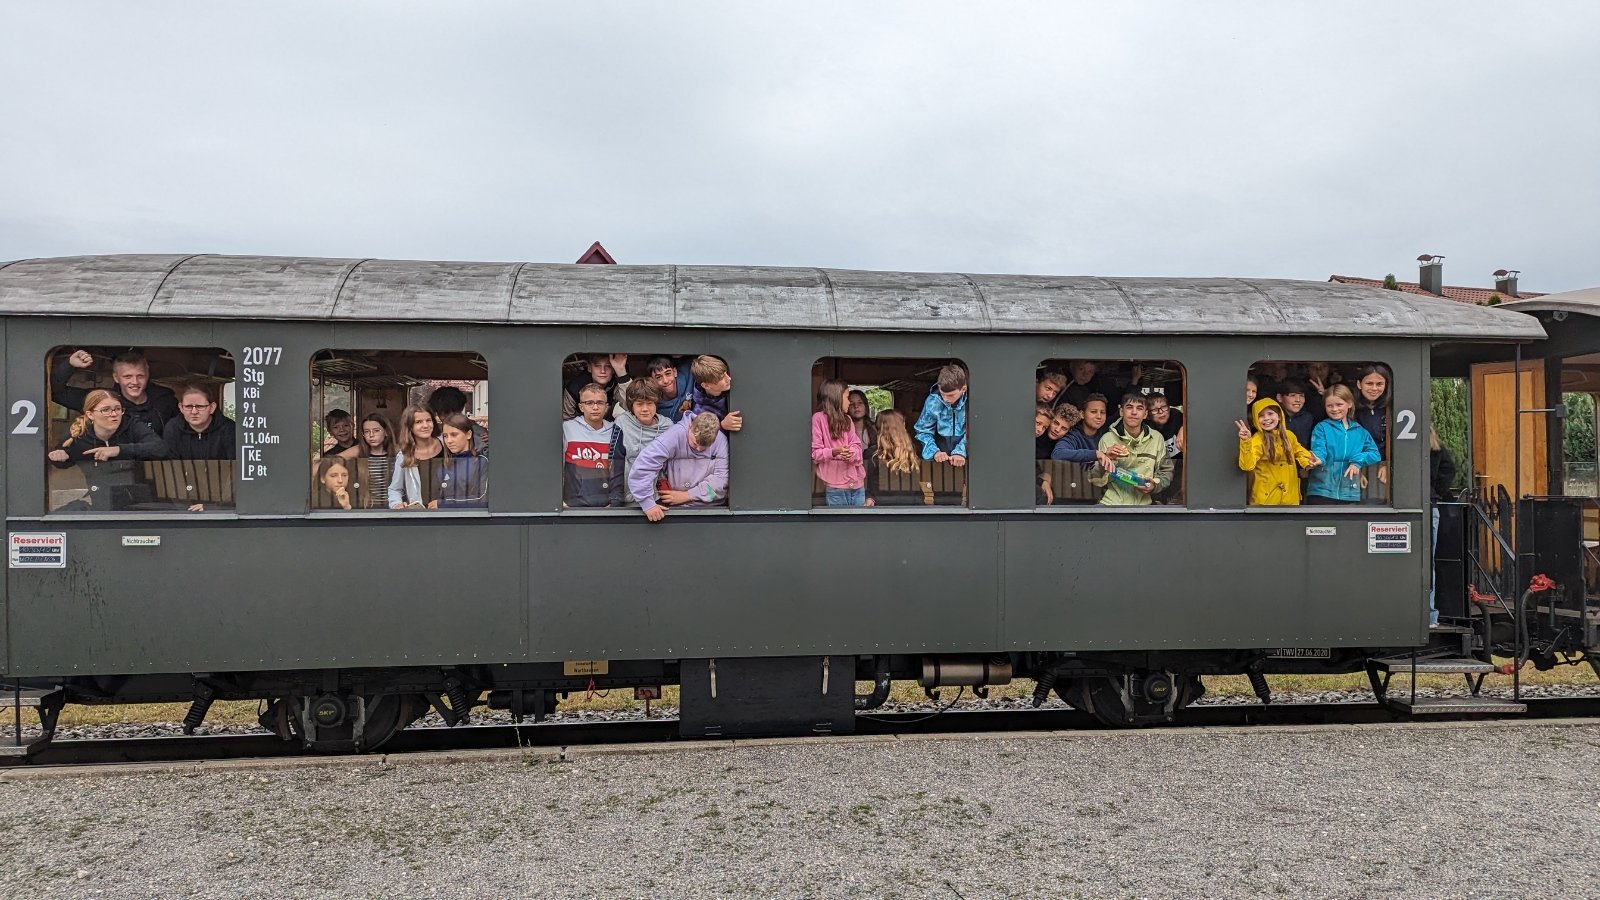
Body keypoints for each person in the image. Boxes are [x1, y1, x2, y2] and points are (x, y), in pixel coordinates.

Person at [47, 389, 168, 510]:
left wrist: (118, 450)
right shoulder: (78, 435)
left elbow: (160, 449)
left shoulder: (131, 425)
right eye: (106, 410)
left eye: (118, 409)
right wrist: (61, 457)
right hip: (102, 503)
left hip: (140, 503)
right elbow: (61, 461)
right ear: (90, 414)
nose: (114, 414)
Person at [52, 348, 179, 436]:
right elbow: (55, 392)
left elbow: (180, 433)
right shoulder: (99, 400)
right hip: (112, 468)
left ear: (147, 375)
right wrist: (68, 365)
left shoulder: (165, 401)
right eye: (127, 377)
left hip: (157, 468)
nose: (135, 382)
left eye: (140, 376)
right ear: (116, 378)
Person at [628, 412, 729, 522]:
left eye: (705, 446)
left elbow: (721, 480)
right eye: (695, 443)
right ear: (690, 426)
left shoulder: (721, 440)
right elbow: (645, 464)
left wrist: (687, 495)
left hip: (711, 509)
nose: (699, 449)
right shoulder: (675, 434)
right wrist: (647, 503)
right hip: (672, 509)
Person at [1091, 392, 1172, 506]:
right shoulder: (1107, 438)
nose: (1134, 412)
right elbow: (1096, 479)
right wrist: (1105, 459)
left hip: (1145, 506)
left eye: (1139, 408)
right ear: (1121, 411)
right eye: (1129, 407)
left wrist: (1154, 485)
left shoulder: (1157, 438)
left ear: (1145, 414)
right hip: (1110, 505)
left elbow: (1166, 471)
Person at [1236, 398, 1321, 506]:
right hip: (1266, 501)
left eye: (1270, 413)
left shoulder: (1289, 436)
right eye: (1261, 415)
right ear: (1255, 420)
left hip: (1290, 499)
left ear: (1279, 416)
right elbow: (1247, 465)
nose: (1266, 418)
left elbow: (1300, 452)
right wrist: (1246, 441)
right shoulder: (1257, 439)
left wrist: (1311, 462)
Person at [1306, 385, 1381, 505]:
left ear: (1349, 404)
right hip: (1322, 490)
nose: (1334, 409)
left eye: (1339, 404)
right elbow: (1319, 449)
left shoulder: (1360, 431)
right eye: (1329, 406)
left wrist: (1357, 462)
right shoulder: (1321, 427)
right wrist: (1318, 459)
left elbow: (1375, 454)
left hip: (1349, 491)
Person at [562, 383, 625, 508]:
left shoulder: (615, 431)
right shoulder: (567, 428)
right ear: (581, 407)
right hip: (573, 504)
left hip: (606, 506)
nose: (595, 407)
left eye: (600, 403)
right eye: (589, 403)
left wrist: (614, 503)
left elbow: (618, 470)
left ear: (606, 407)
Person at [614, 380, 676, 505]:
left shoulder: (668, 426)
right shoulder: (622, 423)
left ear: (656, 404)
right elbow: (615, 461)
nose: (645, 409)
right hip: (628, 496)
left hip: (658, 496)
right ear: (632, 405)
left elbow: (672, 463)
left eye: (650, 403)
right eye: (639, 404)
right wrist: (616, 497)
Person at [812, 379, 867, 507]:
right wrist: (834, 452)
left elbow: (857, 447)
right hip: (836, 488)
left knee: (860, 524)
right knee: (839, 525)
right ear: (836, 398)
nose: (849, 402)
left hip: (858, 485)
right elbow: (815, 453)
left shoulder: (847, 419)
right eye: (847, 397)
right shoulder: (818, 419)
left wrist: (851, 454)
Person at [388, 405, 445, 509]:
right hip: (419, 515)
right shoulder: (404, 455)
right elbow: (395, 489)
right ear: (409, 426)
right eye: (418, 422)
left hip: (448, 512)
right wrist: (396, 504)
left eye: (428, 420)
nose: (425, 425)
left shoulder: (446, 445)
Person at [337, 413, 398, 509]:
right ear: (363, 435)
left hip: (394, 507)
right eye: (367, 431)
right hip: (364, 507)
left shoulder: (398, 451)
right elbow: (329, 462)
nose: (371, 435)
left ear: (386, 432)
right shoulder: (357, 450)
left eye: (376, 431)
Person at [1428, 426, 1457, 624]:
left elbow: (1448, 470)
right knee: (1428, 563)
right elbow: (1449, 470)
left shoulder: (1436, 450)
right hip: (1430, 504)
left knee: (1428, 563)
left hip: (1430, 505)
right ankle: (1429, 615)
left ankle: (1430, 614)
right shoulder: (1436, 449)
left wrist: (1434, 491)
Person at [162, 383, 236, 461]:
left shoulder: (229, 429)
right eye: (188, 406)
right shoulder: (172, 429)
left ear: (212, 407)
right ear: (181, 408)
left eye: (200, 406)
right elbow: (171, 465)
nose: (194, 411)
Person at [914, 364, 968, 465]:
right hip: (939, 457)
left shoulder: (972, 401)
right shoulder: (933, 401)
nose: (946, 399)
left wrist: (961, 452)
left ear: (963, 389)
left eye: (951, 395)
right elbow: (922, 431)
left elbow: (977, 431)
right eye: (943, 394)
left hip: (969, 457)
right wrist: (934, 452)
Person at [432, 413, 488, 509]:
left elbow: (484, 500)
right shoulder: (443, 465)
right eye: (445, 436)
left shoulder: (482, 462)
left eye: (454, 435)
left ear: (468, 434)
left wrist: (444, 504)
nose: (449, 440)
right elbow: (434, 501)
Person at [870, 409, 923, 507]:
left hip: (880, 508)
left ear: (879, 427)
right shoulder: (913, 453)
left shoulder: (872, 454)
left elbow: (868, 485)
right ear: (902, 426)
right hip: (911, 506)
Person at [681, 355, 742, 432]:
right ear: (706, 385)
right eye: (721, 378)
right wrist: (722, 425)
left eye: (726, 373)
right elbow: (702, 436)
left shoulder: (726, 387)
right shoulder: (700, 411)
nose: (728, 378)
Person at [561, 353, 630, 421]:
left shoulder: (616, 383)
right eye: (597, 366)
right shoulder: (575, 387)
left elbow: (631, 406)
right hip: (580, 425)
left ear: (613, 369)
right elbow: (567, 419)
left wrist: (621, 371)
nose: (603, 371)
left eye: (608, 366)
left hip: (606, 424)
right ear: (589, 368)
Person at [1051, 393, 1108, 464]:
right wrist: (1095, 454)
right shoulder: (1072, 436)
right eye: (1093, 412)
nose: (1099, 416)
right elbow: (1058, 454)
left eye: (1102, 412)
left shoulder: (1106, 433)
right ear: (1082, 414)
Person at [428, 385, 489, 452]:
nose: (442, 417)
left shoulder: (479, 434)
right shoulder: (434, 432)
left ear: (459, 409)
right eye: (439, 413)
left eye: (446, 412)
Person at [644, 356, 694, 423]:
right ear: (652, 380)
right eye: (658, 377)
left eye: (668, 373)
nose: (665, 381)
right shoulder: (653, 401)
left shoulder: (689, 373)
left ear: (675, 372)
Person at [1277, 379, 1319, 450]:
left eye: (1301, 395)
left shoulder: (1308, 418)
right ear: (1280, 398)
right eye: (1292, 395)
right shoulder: (1273, 418)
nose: (1298, 400)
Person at [847, 389, 877, 465]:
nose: (856, 406)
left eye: (860, 403)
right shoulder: (843, 431)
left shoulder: (876, 429)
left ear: (865, 406)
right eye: (851, 404)